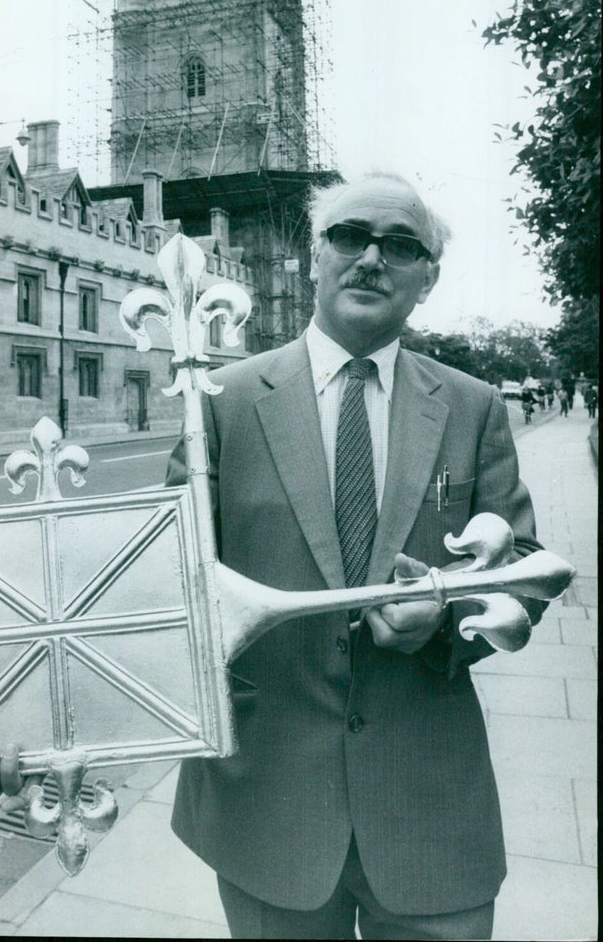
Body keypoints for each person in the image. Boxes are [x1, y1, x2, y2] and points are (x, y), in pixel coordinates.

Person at [165, 173, 542, 941]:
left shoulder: (470, 407)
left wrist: (445, 618)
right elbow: (156, 590)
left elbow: (524, 566)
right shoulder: (222, 403)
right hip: (266, 810)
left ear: (426, 279)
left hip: (431, 810)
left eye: (401, 246)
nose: (372, 257)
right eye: (350, 236)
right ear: (315, 257)